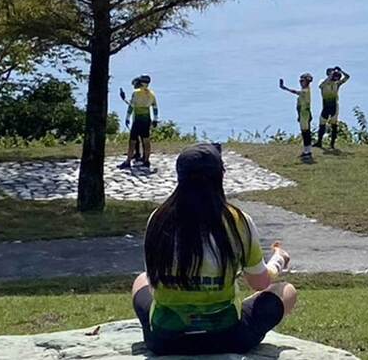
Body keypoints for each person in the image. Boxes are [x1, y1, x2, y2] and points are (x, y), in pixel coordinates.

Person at [132, 143, 297, 355]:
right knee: (287, 291)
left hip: (165, 341)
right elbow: (260, 282)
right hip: (227, 337)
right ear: (220, 176)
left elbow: (154, 284)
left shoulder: (158, 219)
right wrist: (278, 260)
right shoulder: (238, 221)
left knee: (141, 280)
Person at [279, 74, 315, 162]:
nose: (300, 82)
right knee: (305, 133)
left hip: (305, 114)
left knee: (306, 133)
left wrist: (285, 88)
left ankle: (308, 152)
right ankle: (307, 151)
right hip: (303, 114)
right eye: (300, 81)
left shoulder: (305, 91)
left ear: (307, 82)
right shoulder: (305, 90)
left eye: (302, 81)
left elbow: (296, 92)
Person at [125, 75, 159, 168]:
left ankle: (128, 161)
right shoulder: (151, 94)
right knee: (146, 140)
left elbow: (131, 106)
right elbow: (155, 108)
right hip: (147, 119)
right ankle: (146, 160)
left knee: (132, 140)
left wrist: (127, 117)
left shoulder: (135, 93)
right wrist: (155, 119)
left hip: (137, 120)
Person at [315, 67, 350, 151]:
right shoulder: (323, 82)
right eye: (331, 73)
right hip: (326, 106)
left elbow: (347, 77)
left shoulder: (337, 84)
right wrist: (331, 76)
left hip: (334, 106)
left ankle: (332, 144)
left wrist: (341, 71)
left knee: (334, 125)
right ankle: (319, 142)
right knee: (322, 124)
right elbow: (321, 85)